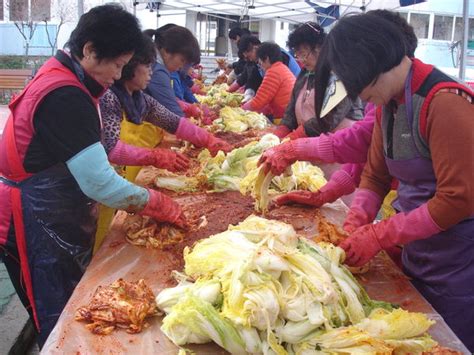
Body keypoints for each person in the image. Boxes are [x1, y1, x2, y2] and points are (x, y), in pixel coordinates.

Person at [0, 5, 186, 347]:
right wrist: (156, 202)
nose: (118, 74)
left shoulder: (72, 82)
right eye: (116, 64)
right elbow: (100, 182)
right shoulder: (65, 94)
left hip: (55, 214)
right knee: (59, 319)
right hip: (33, 222)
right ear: (88, 49)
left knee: (73, 307)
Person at [322, 13, 474, 350]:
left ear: (372, 65)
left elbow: (457, 199)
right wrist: (357, 220)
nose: (361, 98)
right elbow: (375, 175)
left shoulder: (445, 102)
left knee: (452, 342)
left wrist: (381, 233)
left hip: (460, 262)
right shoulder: (390, 104)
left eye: (360, 85)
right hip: (418, 249)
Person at [260, 10, 418, 209]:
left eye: (304, 53)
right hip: (391, 205)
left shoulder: (438, 101)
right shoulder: (387, 105)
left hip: (421, 223)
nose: (357, 94)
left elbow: (452, 199)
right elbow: (369, 164)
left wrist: (294, 146)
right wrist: (324, 195)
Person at [95, 34, 231, 251]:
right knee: (103, 237)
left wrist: (209, 140)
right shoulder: (109, 97)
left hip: (122, 176)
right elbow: (110, 149)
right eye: (146, 66)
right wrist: (154, 156)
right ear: (129, 66)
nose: (151, 72)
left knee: (119, 223)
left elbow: (174, 122)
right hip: (102, 183)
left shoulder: (139, 98)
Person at [272, 22, 363, 141]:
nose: (302, 60)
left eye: (304, 54)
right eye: (298, 55)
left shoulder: (340, 73)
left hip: (343, 144)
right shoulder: (305, 74)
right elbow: (291, 109)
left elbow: (329, 118)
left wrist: (299, 134)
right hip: (310, 143)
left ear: (320, 47)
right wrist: (282, 129)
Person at [145, 24, 208, 119]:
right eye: (182, 60)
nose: (182, 67)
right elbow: (173, 112)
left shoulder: (157, 65)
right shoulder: (158, 71)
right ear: (166, 51)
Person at [229, 35, 301, 94]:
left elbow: (273, 83)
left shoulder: (276, 54)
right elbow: (253, 78)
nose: (250, 60)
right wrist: (249, 91)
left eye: (249, 56)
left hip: (296, 91)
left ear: (255, 48)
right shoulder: (259, 60)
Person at [241, 42, 296, 119]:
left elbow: (258, 102)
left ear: (266, 58)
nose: (259, 63)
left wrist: (239, 110)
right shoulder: (282, 68)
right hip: (288, 114)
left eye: (259, 59)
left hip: (283, 117)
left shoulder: (273, 72)